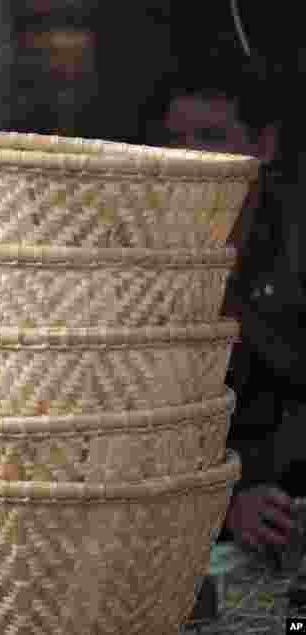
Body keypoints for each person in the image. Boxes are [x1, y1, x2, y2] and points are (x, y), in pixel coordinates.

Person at [141, 62, 300, 561]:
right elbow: (124, 421)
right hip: (170, 528)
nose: (188, 156)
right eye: (175, 138)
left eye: (211, 136)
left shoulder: (293, 246)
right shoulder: (131, 256)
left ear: (264, 146)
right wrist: (222, 498)